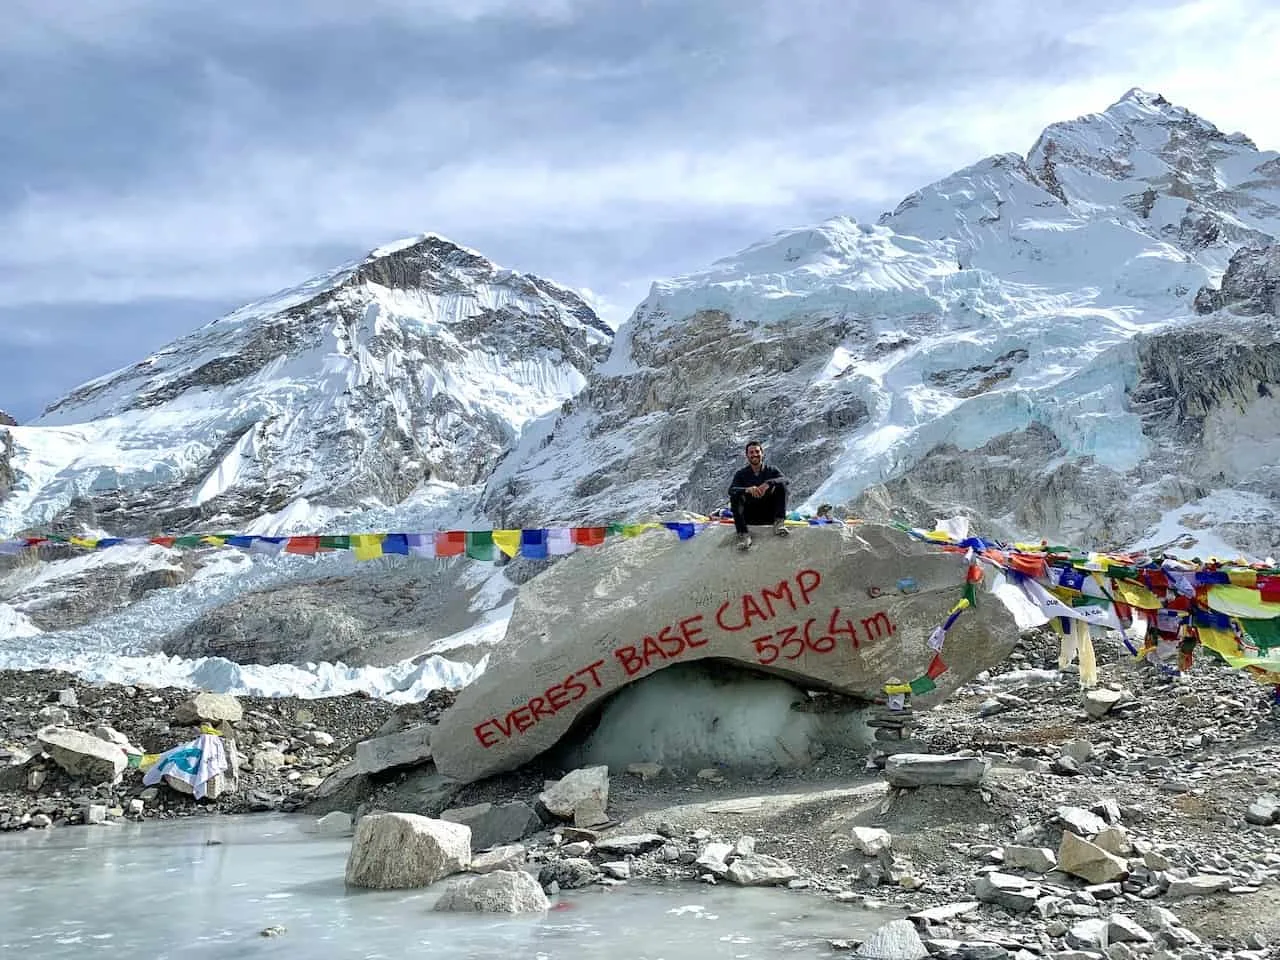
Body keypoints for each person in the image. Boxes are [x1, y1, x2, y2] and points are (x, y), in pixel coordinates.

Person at [727, 440, 789, 550]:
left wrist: (769, 483)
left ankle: (779, 523)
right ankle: (743, 534)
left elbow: (785, 479)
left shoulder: (771, 470)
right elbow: (731, 490)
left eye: (757, 451)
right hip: (750, 516)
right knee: (736, 496)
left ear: (762, 453)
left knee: (782, 486)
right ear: (747, 456)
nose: (754, 454)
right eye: (751, 452)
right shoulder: (741, 474)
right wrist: (747, 490)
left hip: (769, 514)